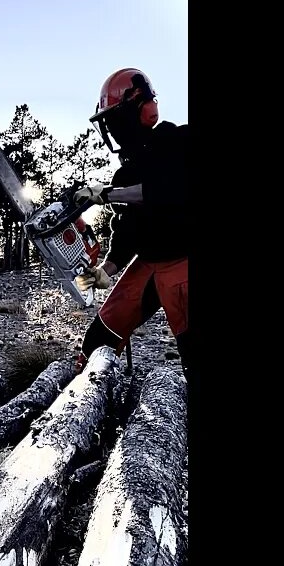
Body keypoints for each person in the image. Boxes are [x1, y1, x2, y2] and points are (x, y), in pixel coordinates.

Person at [72, 67, 197, 382]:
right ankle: (88, 395)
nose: (112, 129)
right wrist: (104, 270)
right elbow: (129, 233)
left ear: (137, 110)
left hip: (184, 262)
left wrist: (110, 195)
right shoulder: (126, 173)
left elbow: (168, 190)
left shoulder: (179, 142)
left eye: (115, 119)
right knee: (100, 337)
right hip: (148, 265)